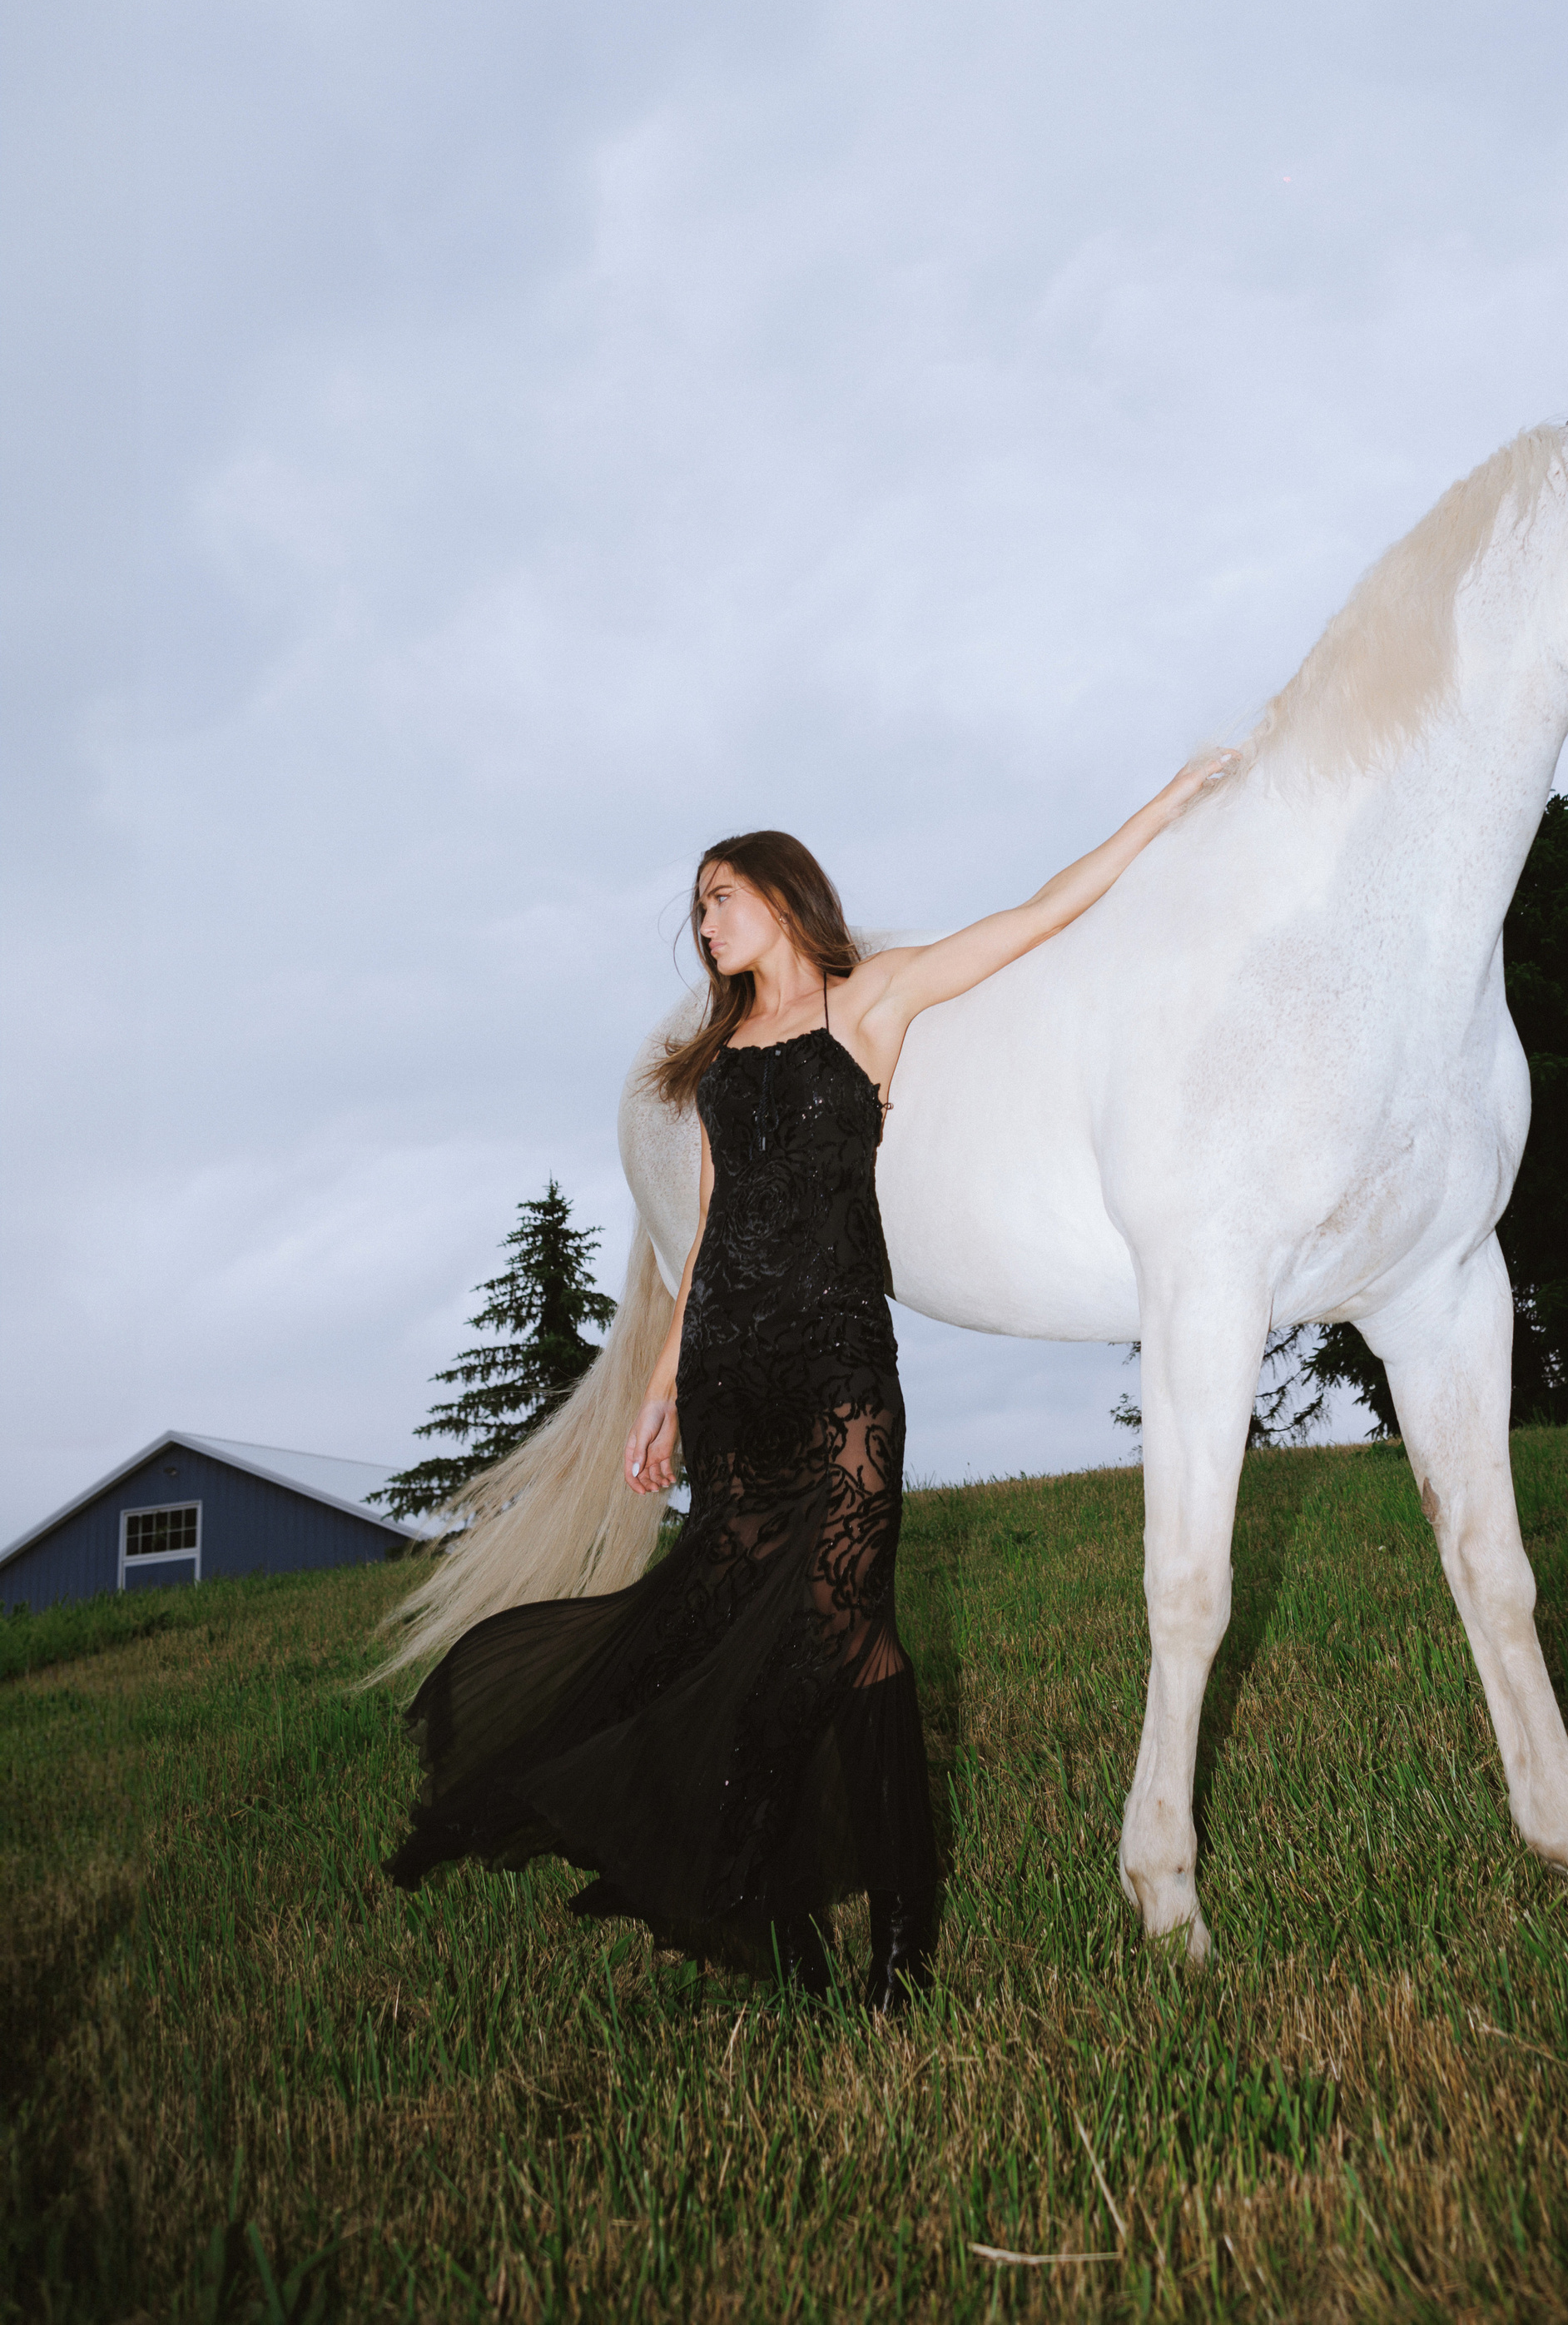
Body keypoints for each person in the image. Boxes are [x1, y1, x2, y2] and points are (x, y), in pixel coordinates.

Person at [386, 754, 1232, 2015]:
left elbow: (1041, 914)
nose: (704, 923)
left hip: (843, 1373)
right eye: (698, 909)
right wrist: (663, 1387)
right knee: (811, 1640)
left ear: (781, 897)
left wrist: (1164, 810)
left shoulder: (870, 1006)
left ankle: (765, 1872)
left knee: (842, 1631)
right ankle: (855, 1942)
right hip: (735, 1378)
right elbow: (714, 1231)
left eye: (719, 897)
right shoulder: (725, 1057)